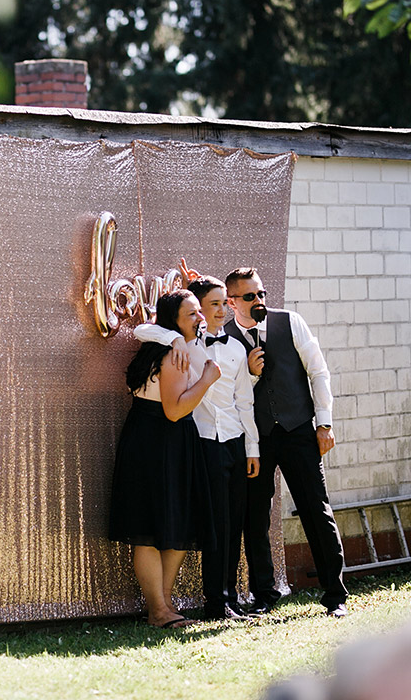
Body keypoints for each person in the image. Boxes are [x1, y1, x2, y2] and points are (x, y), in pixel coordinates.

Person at [222, 267, 348, 617]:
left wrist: (324, 423)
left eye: (261, 293)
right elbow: (227, 393)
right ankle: (264, 596)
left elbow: (318, 371)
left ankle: (335, 595)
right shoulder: (226, 338)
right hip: (255, 442)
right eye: (250, 296)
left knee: (316, 509)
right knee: (255, 519)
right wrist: (248, 372)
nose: (259, 301)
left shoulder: (290, 322)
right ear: (232, 302)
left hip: (298, 431)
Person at [134, 275, 262, 620]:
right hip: (193, 440)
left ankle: (222, 599)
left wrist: (252, 448)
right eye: (209, 306)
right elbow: (143, 331)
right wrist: (174, 337)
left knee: (222, 522)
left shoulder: (231, 346)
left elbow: (243, 401)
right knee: (203, 525)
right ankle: (207, 602)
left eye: (225, 304)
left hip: (224, 440)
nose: (217, 312)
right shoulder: (179, 345)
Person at [108, 290, 221, 628]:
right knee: (149, 527)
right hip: (159, 439)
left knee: (175, 523)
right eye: (192, 314)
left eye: (200, 311)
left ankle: (164, 604)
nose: (200, 318)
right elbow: (174, 411)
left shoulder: (175, 346)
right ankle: (158, 609)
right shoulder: (172, 355)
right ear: (174, 320)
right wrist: (207, 380)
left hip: (164, 440)